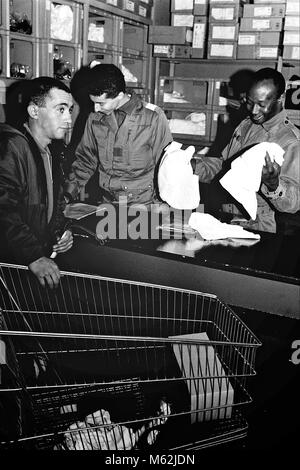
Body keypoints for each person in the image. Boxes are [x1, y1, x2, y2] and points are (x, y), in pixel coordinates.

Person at [195, 67, 300, 234]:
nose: (253, 111)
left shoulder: (291, 141)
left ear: (281, 98)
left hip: (258, 227)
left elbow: (294, 204)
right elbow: (224, 168)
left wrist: (274, 185)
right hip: (225, 217)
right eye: (250, 102)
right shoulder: (246, 125)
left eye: (261, 104)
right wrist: (194, 166)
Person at [0, 77, 74, 288]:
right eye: (60, 109)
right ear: (34, 112)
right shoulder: (12, 146)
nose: (68, 118)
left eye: (69, 109)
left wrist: (60, 232)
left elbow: (51, 204)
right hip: (13, 265)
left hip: (33, 259)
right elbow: (3, 210)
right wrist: (33, 255)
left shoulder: (50, 151)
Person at [64, 64, 173, 206]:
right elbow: (86, 159)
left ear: (120, 95)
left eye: (101, 103)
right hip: (108, 203)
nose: (95, 108)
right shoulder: (95, 118)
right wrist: (68, 193)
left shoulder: (153, 118)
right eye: (93, 102)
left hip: (145, 205)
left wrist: (165, 204)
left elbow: (167, 166)